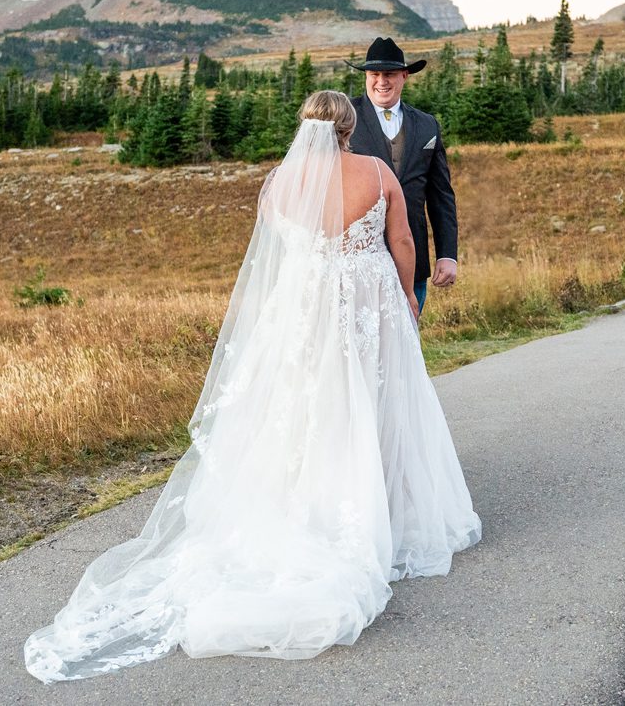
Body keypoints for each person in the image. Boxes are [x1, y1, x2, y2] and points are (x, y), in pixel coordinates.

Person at [24, 91, 480, 682]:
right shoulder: (375, 171)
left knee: (310, 405)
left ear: (305, 128)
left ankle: (311, 502)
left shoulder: (278, 186)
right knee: (376, 402)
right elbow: (404, 243)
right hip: (369, 304)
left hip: (306, 311)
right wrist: (405, 303)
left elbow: (277, 259)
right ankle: (380, 510)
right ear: (348, 128)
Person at [346, 37, 458, 310]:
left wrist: (447, 254)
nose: (382, 81)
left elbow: (441, 195)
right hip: (359, 259)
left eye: (390, 74)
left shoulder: (427, 124)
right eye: (375, 74)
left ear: (404, 76)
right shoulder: (346, 119)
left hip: (412, 258)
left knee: (407, 343)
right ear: (366, 77)